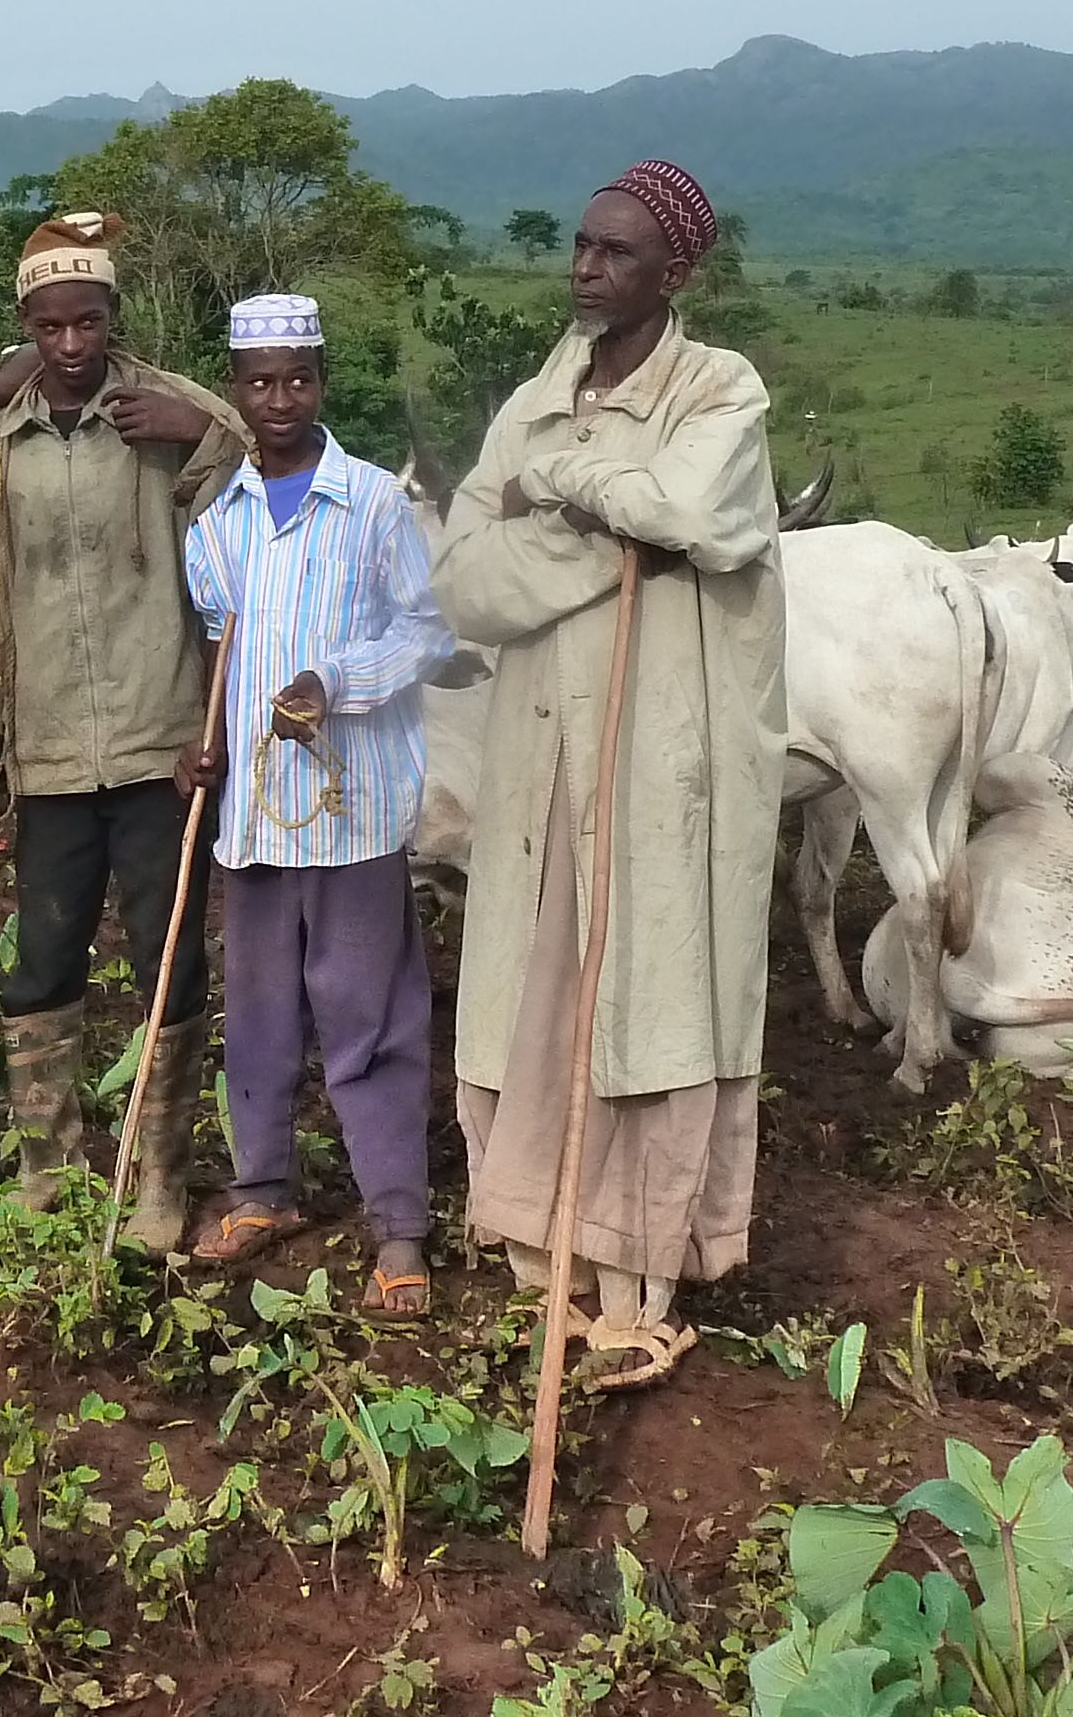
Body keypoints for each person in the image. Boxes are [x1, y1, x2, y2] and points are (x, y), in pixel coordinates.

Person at [430, 160, 787, 1392]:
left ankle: (647, 1285)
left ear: (674, 273)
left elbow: (697, 510)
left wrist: (568, 485)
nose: (585, 267)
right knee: (539, 986)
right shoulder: (535, 394)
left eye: (615, 253)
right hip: (541, 761)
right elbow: (467, 579)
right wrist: (609, 527)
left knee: (654, 989)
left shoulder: (721, 391)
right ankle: (552, 1268)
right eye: (580, 245)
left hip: (662, 764)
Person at [0, 212, 246, 1247]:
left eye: (91, 322)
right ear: (26, 326)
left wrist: (194, 427)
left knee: (169, 955)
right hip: (50, 744)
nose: (73, 345)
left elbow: (250, 456)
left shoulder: (161, 422)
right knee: (44, 957)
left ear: (116, 320)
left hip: (160, 738)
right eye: (52, 325)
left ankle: (160, 1172)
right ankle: (46, 1161)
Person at [173, 295, 451, 1316]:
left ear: (321, 381)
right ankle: (264, 1188)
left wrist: (336, 680)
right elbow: (218, 649)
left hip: (354, 807)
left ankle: (399, 1223)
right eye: (259, 381)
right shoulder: (219, 522)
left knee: (366, 1012)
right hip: (252, 810)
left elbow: (428, 634)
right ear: (238, 390)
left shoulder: (374, 503)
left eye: (298, 378)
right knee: (259, 1011)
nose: (279, 397)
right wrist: (201, 747)